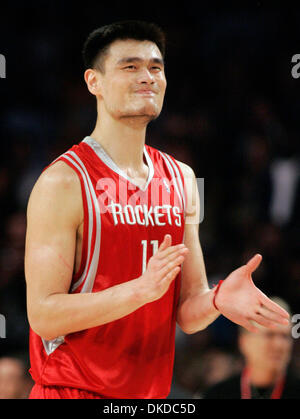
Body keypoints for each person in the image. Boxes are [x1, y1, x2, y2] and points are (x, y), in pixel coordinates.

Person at [25, 20, 290, 399]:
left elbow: (186, 311)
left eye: (156, 67)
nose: (147, 77)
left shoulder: (182, 178)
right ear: (93, 82)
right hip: (72, 390)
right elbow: (44, 316)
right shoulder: (63, 182)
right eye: (130, 67)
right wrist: (139, 291)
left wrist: (216, 299)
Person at [202, 297, 300, 399]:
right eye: (269, 335)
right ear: (244, 341)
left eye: (285, 336)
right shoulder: (217, 394)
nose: (279, 344)